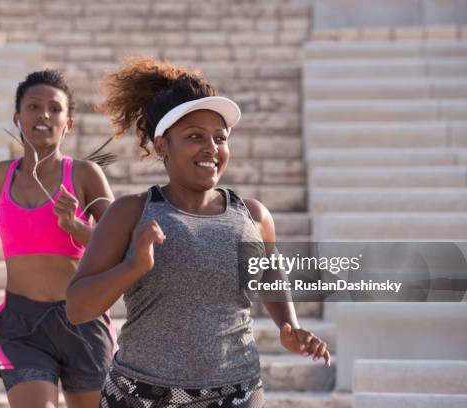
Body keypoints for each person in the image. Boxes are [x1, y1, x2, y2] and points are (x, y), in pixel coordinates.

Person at [66, 58, 330, 408]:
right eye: (194, 137)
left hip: (237, 392)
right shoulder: (130, 213)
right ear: (162, 145)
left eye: (220, 138)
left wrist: (290, 327)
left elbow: (269, 271)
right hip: (141, 395)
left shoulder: (253, 216)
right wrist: (131, 267)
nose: (211, 148)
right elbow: (77, 307)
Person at [0, 69, 117, 408]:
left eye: (54, 108)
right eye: (33, 106)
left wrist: (75, 227)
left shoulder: (86, 175)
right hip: (22, 324)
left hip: (83, 318)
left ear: (69, 122)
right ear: (18, 117)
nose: (43, 114)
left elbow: (117, 246)